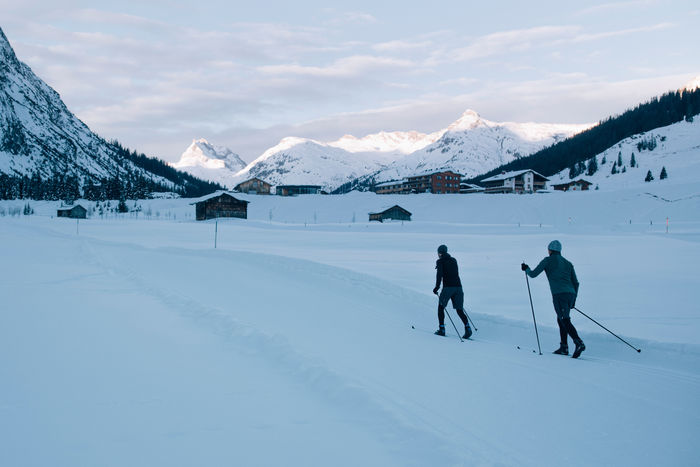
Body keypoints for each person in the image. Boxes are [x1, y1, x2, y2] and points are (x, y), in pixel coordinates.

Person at [521, 240, 585, 358]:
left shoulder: (547, 260)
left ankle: (578, 342)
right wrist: (573, 300)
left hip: (559, 294)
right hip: (571, 294)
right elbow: (576, 283)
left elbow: (533, 274)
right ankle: (564, 347)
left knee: (564, 319)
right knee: (561, 319)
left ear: (550, 250)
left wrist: (527, 269)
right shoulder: (568, 263)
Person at [433, 245, 472, 339]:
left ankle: (442, 329)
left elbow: (439, 275)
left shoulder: (440, 261)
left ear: (440, 253)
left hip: (448, 288)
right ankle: (467, 328)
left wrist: (436, 287)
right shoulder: (454, 260)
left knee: (441, 308)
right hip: (458, 287)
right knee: (459, 310)